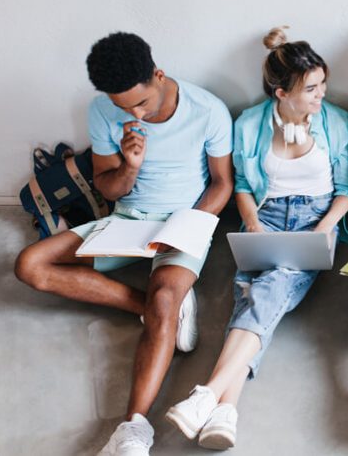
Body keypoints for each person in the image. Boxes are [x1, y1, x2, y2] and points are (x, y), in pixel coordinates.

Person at [13, 32, 233, 455]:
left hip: (185, 221)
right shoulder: (102, 110)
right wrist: (130, 167)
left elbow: (222, 184)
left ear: (158, 75)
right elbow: (110, 189)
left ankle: (133, 429)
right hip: (128, 219)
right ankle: (153, 311)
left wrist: (193, 225)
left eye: (141, 103)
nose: (135, 113)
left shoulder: (208, 111)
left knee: (166, 296)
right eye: (123, 107)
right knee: (30, 265)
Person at [165, 27, 348, 450]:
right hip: (266, 218)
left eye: (323, 83)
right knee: (252, 293)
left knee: (268, 286)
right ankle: (223, 411)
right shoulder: (250, 123)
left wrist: (325, 228)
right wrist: (251, 221)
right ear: (280, 92)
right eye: (310, 88)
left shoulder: (337, 122)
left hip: (314, 220)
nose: (321, 94)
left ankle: (208, 393)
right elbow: (242, 187)